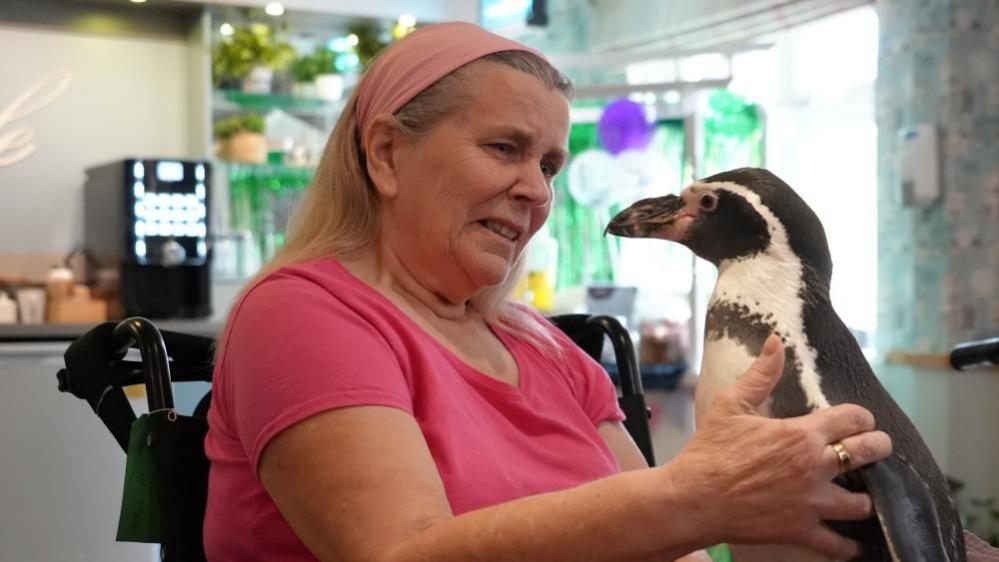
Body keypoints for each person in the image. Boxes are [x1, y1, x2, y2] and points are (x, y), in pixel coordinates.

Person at [203, 21, 893, 561]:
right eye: (505, 148)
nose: (537, 190)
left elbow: (668, 540)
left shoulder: (544, 347)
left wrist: (705, 502)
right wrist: (699, 494)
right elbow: (397, 551)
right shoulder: (303, 314)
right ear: (386, 153)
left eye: (550, 164)